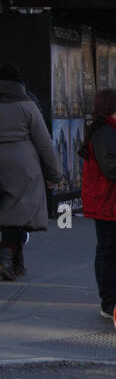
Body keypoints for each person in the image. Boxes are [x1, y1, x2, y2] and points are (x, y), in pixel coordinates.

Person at [0, 64, 62, 282]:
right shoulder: (28, 105)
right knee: (20, 213)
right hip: (24, 165)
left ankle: (18, 262)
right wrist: (54, 174)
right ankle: (6, 257)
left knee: (8, 211)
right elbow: (44, 142)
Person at [80, 89, 116, 327]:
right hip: (107, 200)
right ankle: (108, 303)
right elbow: (110, 167)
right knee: (108, 250)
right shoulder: (105, 132)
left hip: (107, 200)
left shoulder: (107, 130)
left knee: (109, 250)